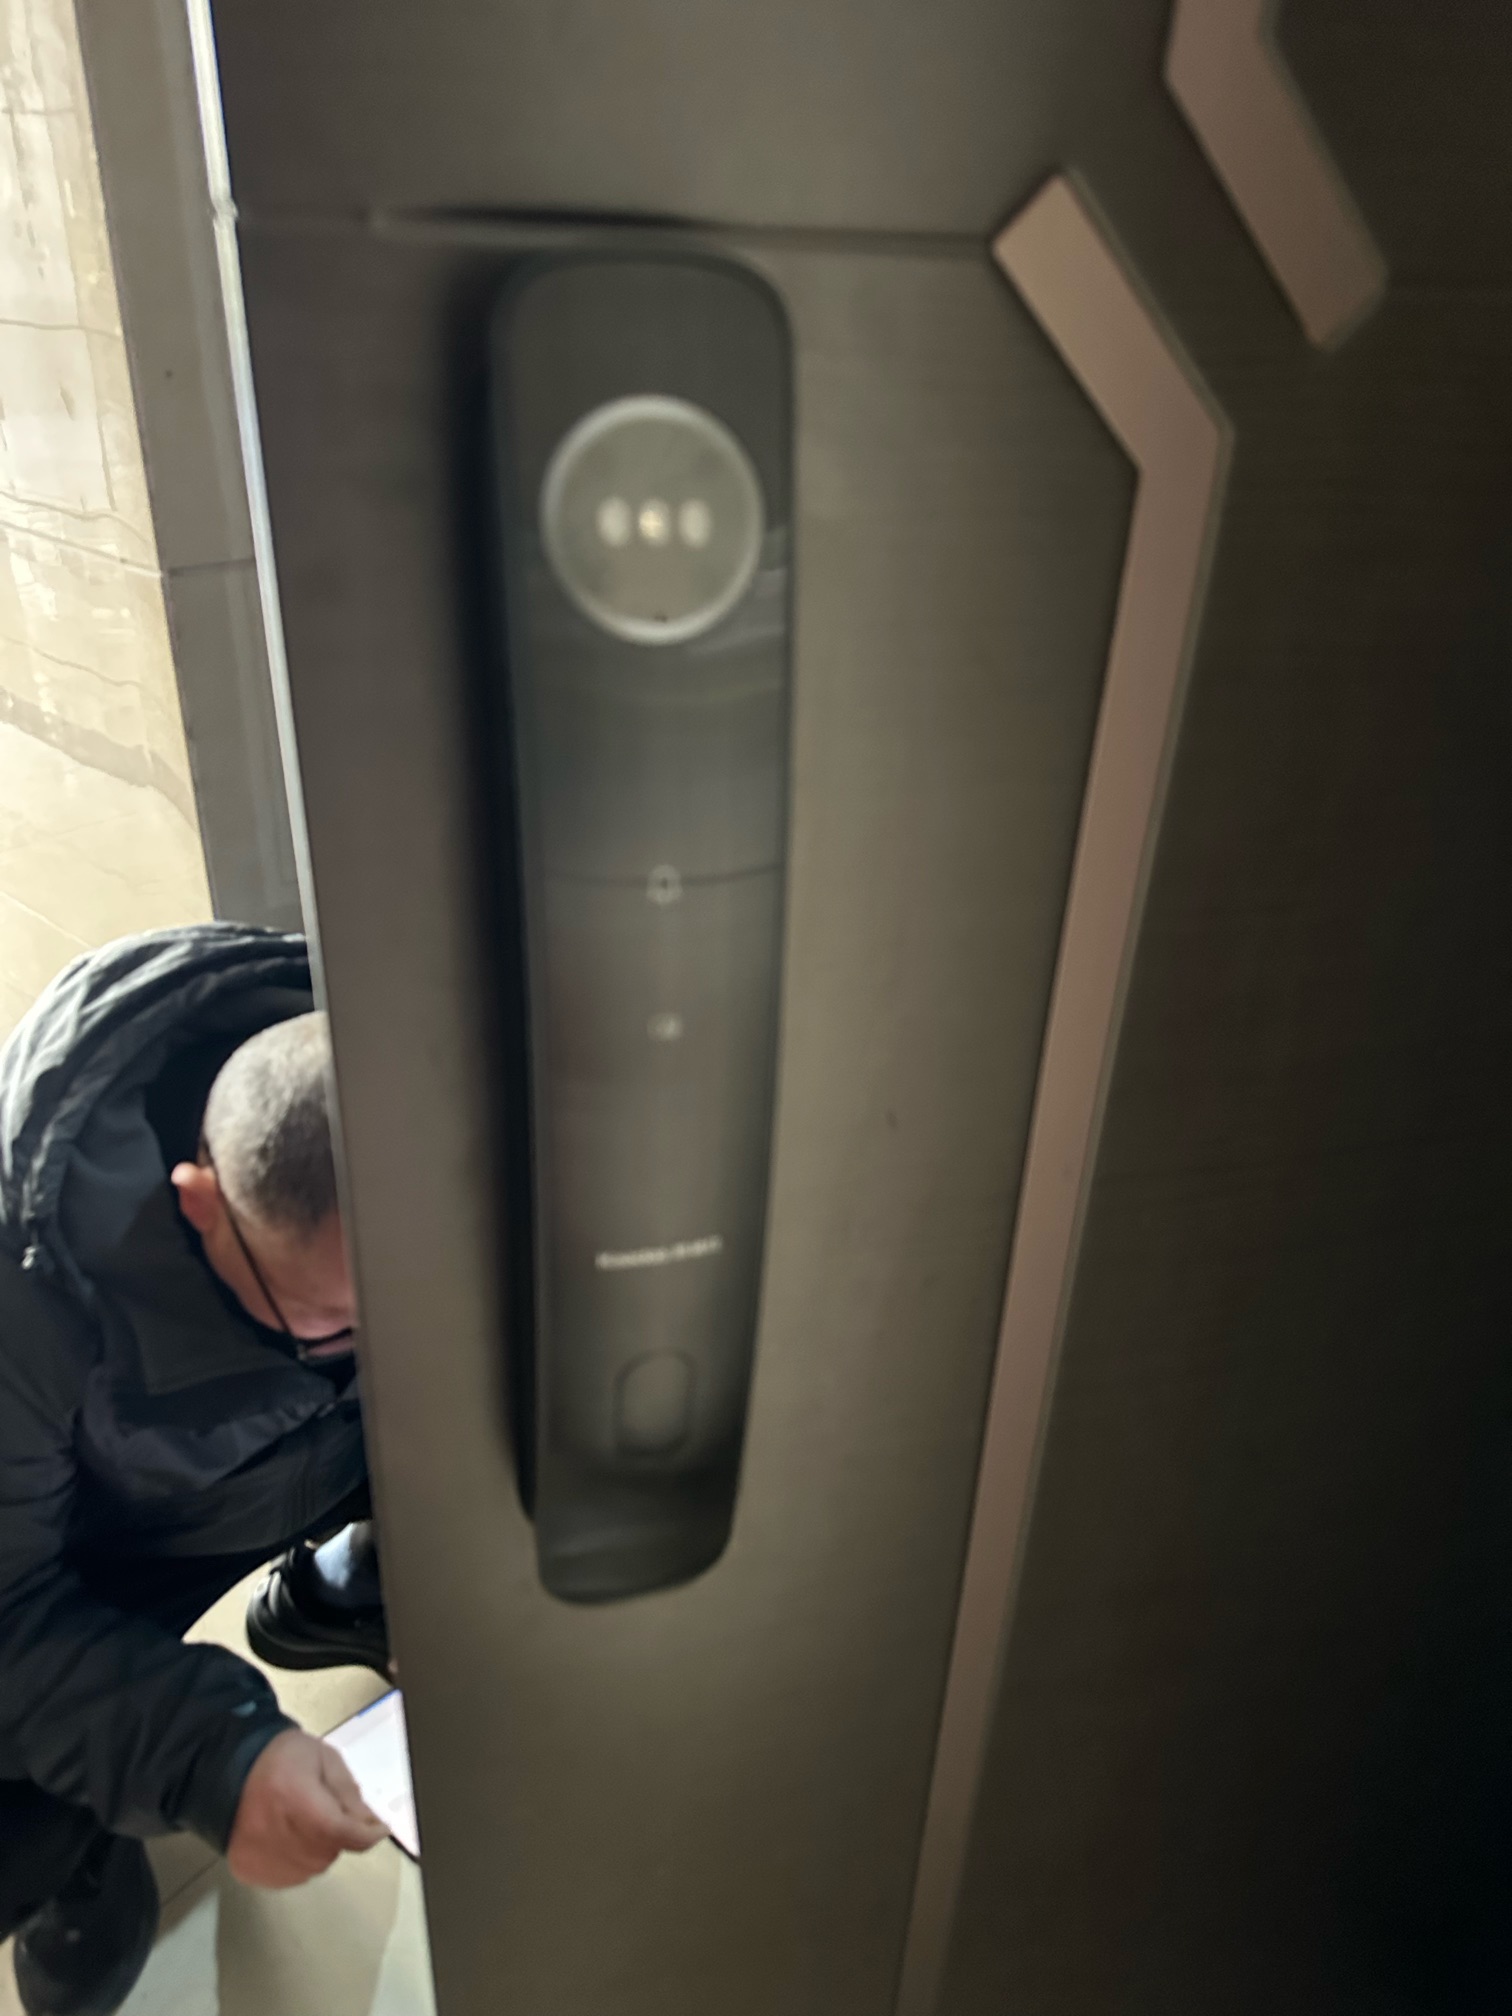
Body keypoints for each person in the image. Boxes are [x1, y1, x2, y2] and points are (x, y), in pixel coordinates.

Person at [0, 925, 394, 2015]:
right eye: (332, 1321)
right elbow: (8, 1620)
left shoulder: (424, 1050)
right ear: (200, 1196)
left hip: (328, 1457)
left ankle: (350, 1588)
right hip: (115, 1540)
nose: (374, 1347)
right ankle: (79, 1863)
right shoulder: (24, 1307)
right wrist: (213, 1756)